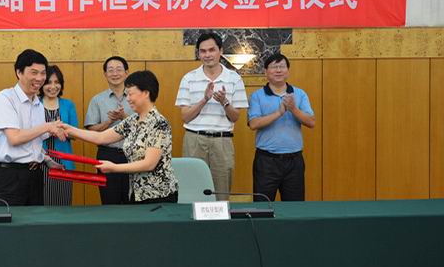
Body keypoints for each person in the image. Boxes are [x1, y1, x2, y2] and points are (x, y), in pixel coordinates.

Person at [62, 70, 177, 204]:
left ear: (146, 93)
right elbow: (101, 137)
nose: (127, 99)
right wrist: (69, 129)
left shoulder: (158, 123)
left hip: (159, 195)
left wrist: (114, 168)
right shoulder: (132, 120)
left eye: (130, 94)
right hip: (136, 193)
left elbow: (149, 164)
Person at [175, 31, 248, 200]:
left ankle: (221, 218)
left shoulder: (234, 78)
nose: (207, 55)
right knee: (193, 190)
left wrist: (224, 102)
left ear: (220, 51)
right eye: (203, 51)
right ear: (199, 53)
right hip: (194, 139)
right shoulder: (189, 78)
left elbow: (235, 117)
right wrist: (204, 100)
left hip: (222, 140)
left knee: (221, 191)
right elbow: (185, 117)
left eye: (211, 50)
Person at [0, 49, 65, 206]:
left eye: (43, 73)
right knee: (9, 221)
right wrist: (48, 126)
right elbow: (15, 138)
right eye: (34, 72)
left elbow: (34, 141)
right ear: (19, 72)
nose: (39, 78)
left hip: (35, 174)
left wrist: (47, 160)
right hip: (10, 177)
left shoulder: (38, 103)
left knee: (35, 220)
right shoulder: (5, 98)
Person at [248, 54, 315, 201]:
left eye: (282, 66)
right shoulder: (257, 96)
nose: (278, 70)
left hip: (294, 161)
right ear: (266, 71)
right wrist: (279, 113)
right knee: (263, 205)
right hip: (266, 161)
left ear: (288, 71)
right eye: (274, 67)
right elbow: (253, 124)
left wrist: (293, 109)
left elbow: (311, 122)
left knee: (294, 208)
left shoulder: (299, 94)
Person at [85, 56, 134, 204]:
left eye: (119, 69)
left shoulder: (136, 97)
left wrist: (124, 117)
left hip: (132, 154)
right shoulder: (97, 100)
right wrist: (109, 121)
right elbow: (91, 130)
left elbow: (144, 125)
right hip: (107, 154)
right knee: (109, 200)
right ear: (105, 74)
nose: (115, 73)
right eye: (110, 70)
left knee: (132, 201)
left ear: (126, 73)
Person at [39, 65, 79, 206]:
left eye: (57, 82)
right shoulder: (34, 103)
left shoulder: (68, 105)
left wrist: (63, 130)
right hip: (40, 161)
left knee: (63, 203)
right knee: (43, 204)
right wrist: (50, 129)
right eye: (48, 82)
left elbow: (75, 133)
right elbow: (28, 131)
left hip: (64, 163)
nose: (53, 86)